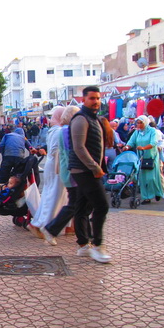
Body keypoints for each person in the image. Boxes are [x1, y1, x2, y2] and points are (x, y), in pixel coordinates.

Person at [68, 86, 112, 263]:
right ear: (84, 99)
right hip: (85, 170)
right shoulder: (81, 119)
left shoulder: (94, 119)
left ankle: (83, 245)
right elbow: (79, 147)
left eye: (98, 98)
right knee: (102, 205)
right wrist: (95, 167)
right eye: (92, 98)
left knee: (82, 206)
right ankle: (97, 245)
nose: (96, 101)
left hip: (88, 169)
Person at [27, 107, 67, 242]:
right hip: (57, 166)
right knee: (54, 195)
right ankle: (43, 224)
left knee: (51, 194)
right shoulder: (59, 131)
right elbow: (56, 150)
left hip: (53, 164)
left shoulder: (54, 130)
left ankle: (41, 222)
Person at [124, 115, 164, 204]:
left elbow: (153, 143)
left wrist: (144, 148)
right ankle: (147, 197)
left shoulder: (152, 131)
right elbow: (131, 142)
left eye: (141, 123)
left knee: (152, 178)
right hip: (141, 158)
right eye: (138, 123)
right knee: (143, 178)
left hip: (151, 157)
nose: (139, 125)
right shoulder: (137, 132)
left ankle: (157, 192)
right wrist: (126, 147)